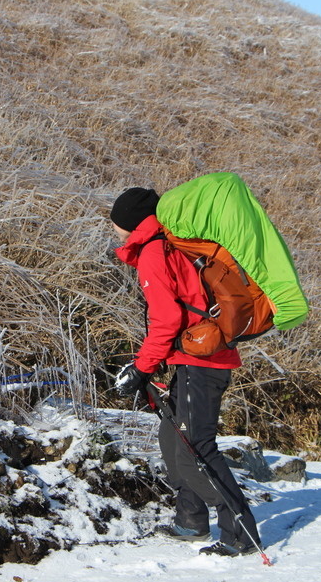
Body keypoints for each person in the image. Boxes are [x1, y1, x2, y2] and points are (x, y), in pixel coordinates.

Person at [110, 187, 262, 557]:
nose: (113, 230)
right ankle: (191, 519)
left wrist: (141, 368)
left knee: (195, 449)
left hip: (201, 361)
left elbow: (166, 320)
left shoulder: (153, 253)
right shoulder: (172, 243)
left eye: (115, 223)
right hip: (195, 357)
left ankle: (240, 532)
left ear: (129, 223)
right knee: (172, 439)